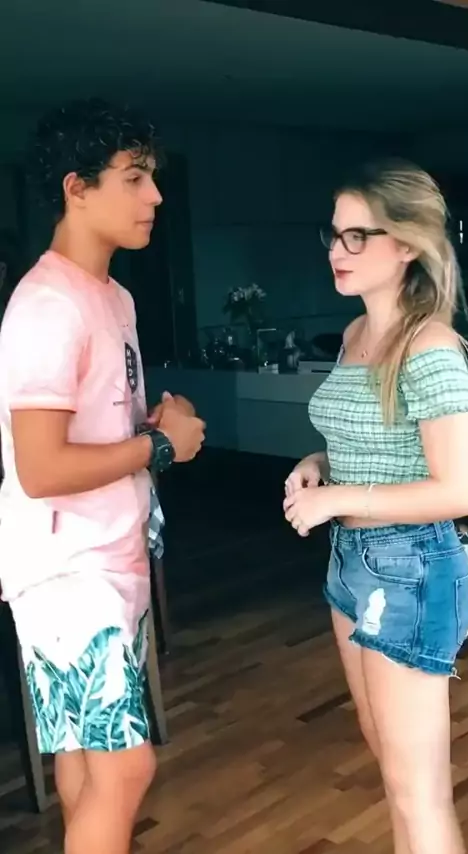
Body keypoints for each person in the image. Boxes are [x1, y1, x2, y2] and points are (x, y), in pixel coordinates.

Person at [0, 98, 204, 854]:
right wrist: (160, 448)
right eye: (134, 177)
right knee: (126, 765)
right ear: (76, 188)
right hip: (66, 568)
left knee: (87, 759)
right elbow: (41, 467)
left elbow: (105, 423)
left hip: (111, 553)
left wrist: (158, 424)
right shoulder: (47, 305)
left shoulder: (113, 297)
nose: (156, 196)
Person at [284, 159, 468, 854]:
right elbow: (372, 444)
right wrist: (319, 465)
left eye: (357, 236)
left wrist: (338, 496)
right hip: (352, 560)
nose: (337, 251)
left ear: (405, 244)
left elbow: (460, 489)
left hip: (410, 567)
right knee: (393, 774)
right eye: (334, 234)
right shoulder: (354, 335)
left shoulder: (429, 345)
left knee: (418, 794)